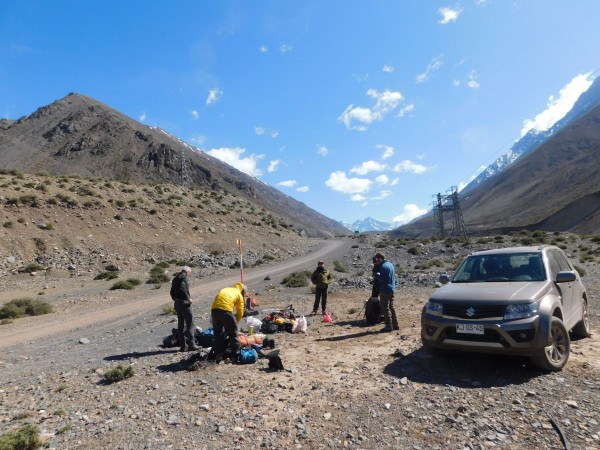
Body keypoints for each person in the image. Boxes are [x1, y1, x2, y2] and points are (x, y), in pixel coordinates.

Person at [211, 282, 246, 363]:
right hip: (226, 310)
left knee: (218, 333)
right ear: (242, 291)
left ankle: (219, 355)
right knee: (233, 333)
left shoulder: (226, 289)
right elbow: (240, 311)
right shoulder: (239, 294)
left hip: (214, 310)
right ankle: (235, 356)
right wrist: (235, 322)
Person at [170, 266, 199, 352]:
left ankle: (183, 346)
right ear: (187, 272)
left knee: (180, 326)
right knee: (190, 324)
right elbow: (183, 288)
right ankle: (191, 345)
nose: (189, 275)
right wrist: (188, 298)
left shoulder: (175, 279)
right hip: (184, 303)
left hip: (177, 303)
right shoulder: (183, 277)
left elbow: (171, 292)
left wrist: (175, 299)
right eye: (190, 273)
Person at [373, 253, 398, 333]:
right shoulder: (390, 264)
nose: (376, 263)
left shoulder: (383, 267)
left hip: (385, 289)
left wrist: (376, 275)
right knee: (391, 306)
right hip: (392, 288)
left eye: (376, 260)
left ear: (380, 259)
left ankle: (388, 326)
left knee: (384, 307)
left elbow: (383, 279)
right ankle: (395, 324)